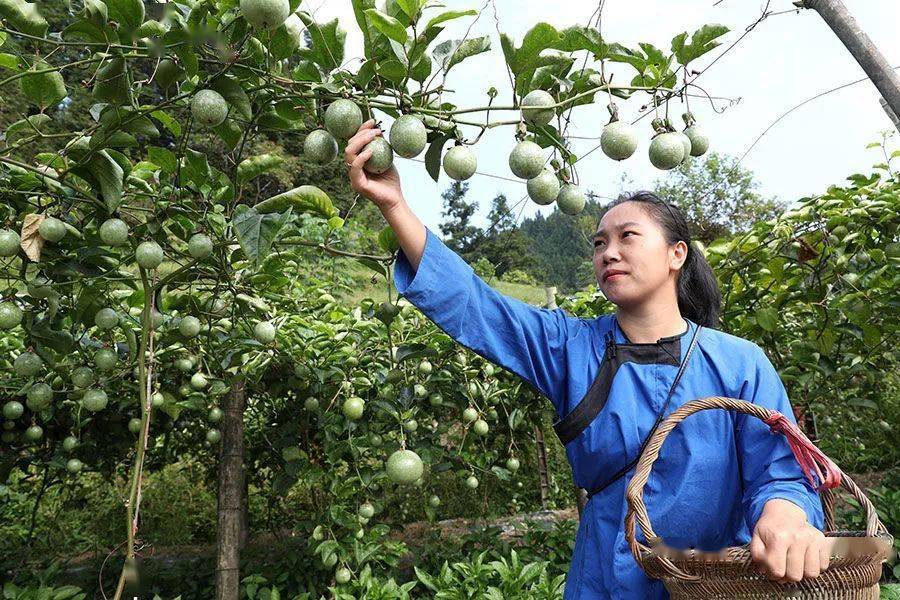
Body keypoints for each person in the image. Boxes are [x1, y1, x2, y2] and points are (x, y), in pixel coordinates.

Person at [344, 119, 832, 599]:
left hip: (714, 587)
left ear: (676, 254)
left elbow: (781, 470)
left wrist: (785, 514)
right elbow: (476, 305)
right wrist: (394, 204)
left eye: (627, 237)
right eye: (599, 243)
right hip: (605, 581)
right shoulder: (568, 347)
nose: (608, 252)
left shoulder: (740, 364)